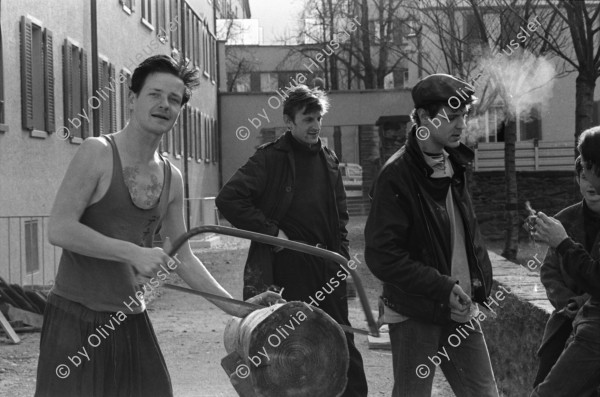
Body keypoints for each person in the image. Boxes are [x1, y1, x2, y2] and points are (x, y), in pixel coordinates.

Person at [35, 55, 279, 397]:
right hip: (76, 319)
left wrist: (239, 308)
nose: (164, 104)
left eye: (174, 99)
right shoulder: (98, 152)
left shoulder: (172, 177)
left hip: (130, 319)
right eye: (155, 94)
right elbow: (59, 229)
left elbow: (183, 256)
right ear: (133, 99)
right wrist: (132, 252)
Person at [216, 85, 368, 397]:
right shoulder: (270, 159)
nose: (315, 126)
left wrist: (342, 263)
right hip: (284, 272)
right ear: (289, 121)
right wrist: (272, 233)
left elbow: (340, 219)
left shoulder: (329, 160)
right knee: (285, 357)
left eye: (319, 118)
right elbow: (229, 199)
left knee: (341, 348)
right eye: (307, 118)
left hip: (326, 271)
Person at [365, 73, 498, 397]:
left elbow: (464, 238)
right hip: (415, 312)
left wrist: (477, 286)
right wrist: (441, 286)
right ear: (424, 117)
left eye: (463, 116)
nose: (460, 125)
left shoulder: (456, 163)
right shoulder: (396, 176)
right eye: (452, 117)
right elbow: (382, 256)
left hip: (461, 308)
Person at [532, 126, 600, 397]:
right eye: (581, 173)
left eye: (587, 166)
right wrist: (569, 305)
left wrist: (562, 242)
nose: (588, 180)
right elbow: (549, 272)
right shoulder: (567, 217)